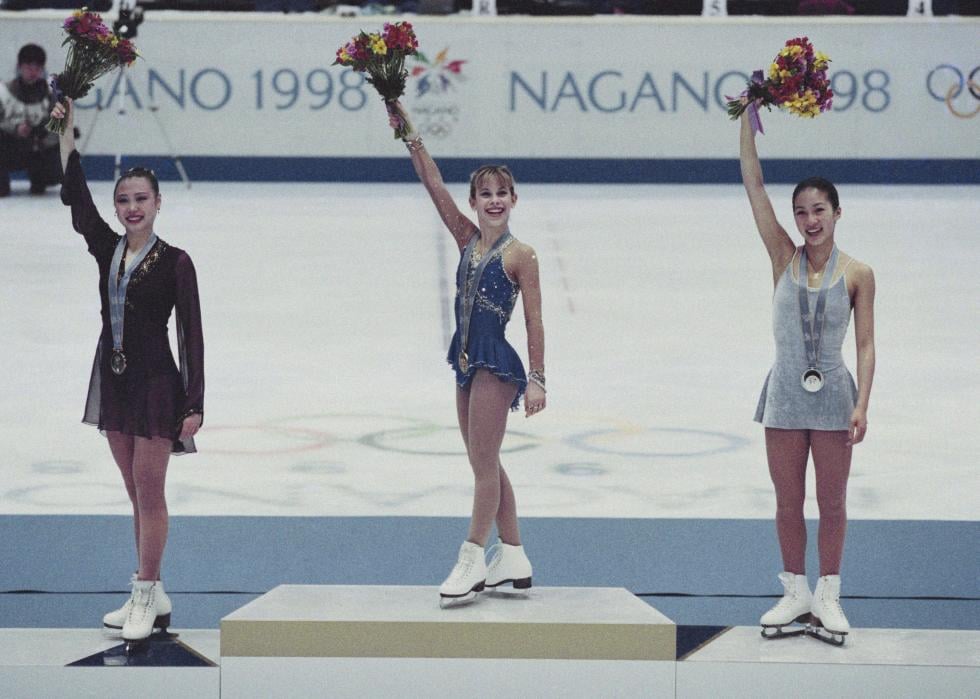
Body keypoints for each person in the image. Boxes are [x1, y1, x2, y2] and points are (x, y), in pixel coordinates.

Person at [51, 99, 204, 645]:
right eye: (124, 200)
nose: (132, 208)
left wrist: (194, 404)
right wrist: (66, 132)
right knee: (133, 492)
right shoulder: (107, 248)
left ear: (159, 203)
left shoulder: (177, 261)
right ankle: (151, 594)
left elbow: (191, 334)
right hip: (112, 379)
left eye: (142, 199)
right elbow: (76, 202)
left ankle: (147, 588)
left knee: (150, 488)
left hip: (158, 384)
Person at [387, 100, 547, 607]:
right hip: (464, 359)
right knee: (486, 459)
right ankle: (514, 554)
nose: (494, 201)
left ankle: (473, 555)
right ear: (473, 201)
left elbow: (535, 319)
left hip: (495, 363)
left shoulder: (521, 255)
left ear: (514, 199)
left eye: (502, 193)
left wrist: (538, 378)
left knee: (481, 466)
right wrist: (407, 128)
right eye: (485, 194)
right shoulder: (466, 238)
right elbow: (432, 184)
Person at [739, 109, 875, 646]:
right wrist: (745, 124)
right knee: (786, 499)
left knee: (834, 502)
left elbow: (865, 343)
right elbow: (753, 185)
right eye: (801, 212)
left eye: (819, 210)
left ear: (838, 213)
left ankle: (829, 593)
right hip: (785, 397)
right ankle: (796, 589)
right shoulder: (782, 257)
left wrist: (862, 403)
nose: (809, 220)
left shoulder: (859, 273)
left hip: (835, 397)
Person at [0, 44, 62, 197]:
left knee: (49, 178)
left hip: (38, 148)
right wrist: (15, 128)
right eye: (28, 67)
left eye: (37, 67)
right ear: (19, 67)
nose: (33, 72)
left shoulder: (50, 94)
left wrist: (40, 133)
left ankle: (40, 179)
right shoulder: (4, 92)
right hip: (10, 146)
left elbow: (59, 125)